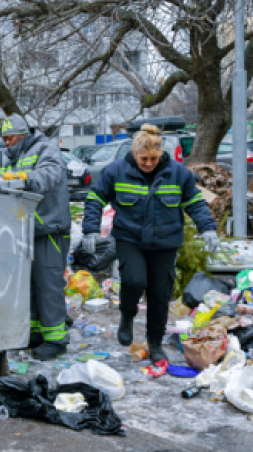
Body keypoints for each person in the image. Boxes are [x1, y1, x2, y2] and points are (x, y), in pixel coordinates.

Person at [81, 124, 218, 363]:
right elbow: (95, 198)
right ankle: (127, 316)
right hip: (130, 238)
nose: (148, 163)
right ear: (134, 153)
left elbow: (195, 202)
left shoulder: (178, 173)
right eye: (143, 158)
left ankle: (155, 344)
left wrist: (207, 228)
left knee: (159, 294)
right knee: (134, 281)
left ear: (161, 154)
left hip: (165, 241)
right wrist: (91, 229)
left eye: (153, 159)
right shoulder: (116, 171)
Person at [0, 114, 72, 360]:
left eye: (10, 138)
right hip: (27, 228)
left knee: (48, 285)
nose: (7, 143)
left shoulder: (46, 150)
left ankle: (56, 339)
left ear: (23, 135)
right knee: (30, 285)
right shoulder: (14, 156)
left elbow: (48, 177)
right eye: (4, 139)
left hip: (49, 228)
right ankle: (36, 333)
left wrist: (22, 178)